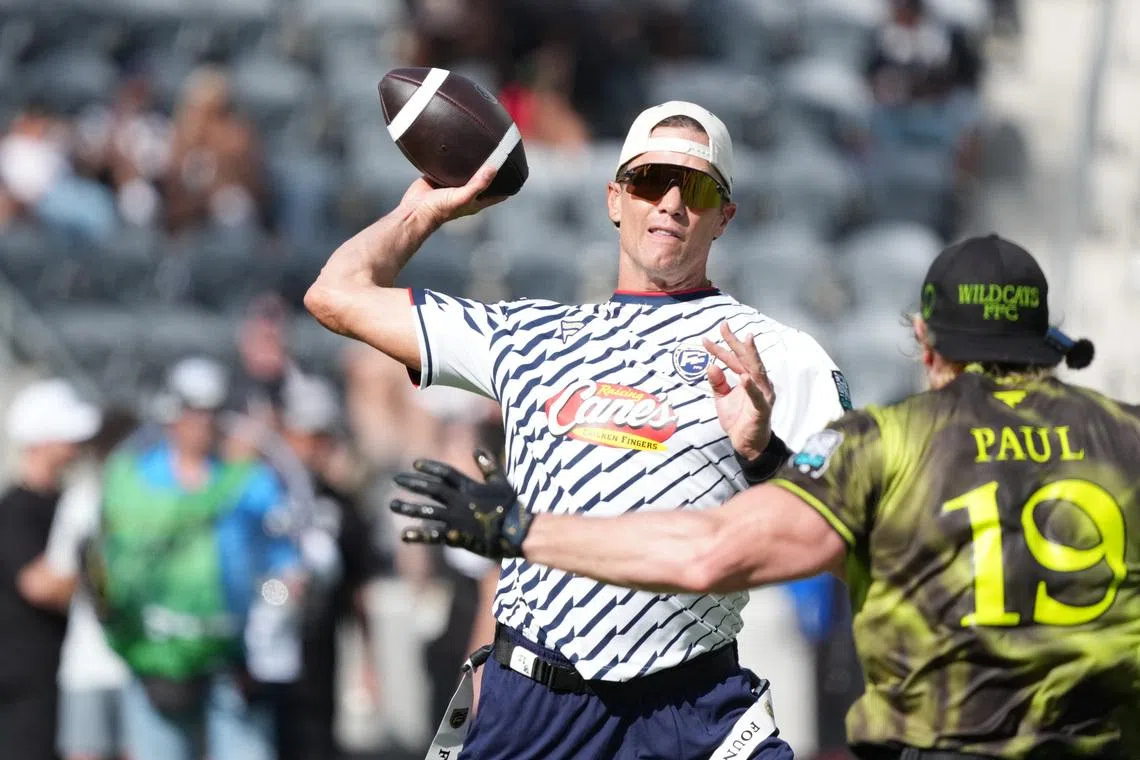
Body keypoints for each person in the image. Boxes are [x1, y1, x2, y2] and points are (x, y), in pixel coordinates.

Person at [393, 234, 1138, 760]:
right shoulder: (1129, 441)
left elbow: (709, 552)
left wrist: (520, 529)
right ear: (1047, 345)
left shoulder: (882, 443)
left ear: (926, 344)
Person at [306, 100, 851, 758]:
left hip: (691, 704)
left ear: (724, 215)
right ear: (615, 199)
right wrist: (425, 210)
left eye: (698, 187)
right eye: (651, 181)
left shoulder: (778, 355)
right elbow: (335, 294)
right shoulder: (529, 335)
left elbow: (849, 539)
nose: (672, 203)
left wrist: (764, 455)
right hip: (536, 703)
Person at [90, 357, 300, 760]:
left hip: (230, 656)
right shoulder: (133, 478)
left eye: (211, 412)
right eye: (193, 411)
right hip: (155, 656)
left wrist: (281, 597)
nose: (202, 422)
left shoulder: (251, 480)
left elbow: (283, 556)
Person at [275, 372, 386, 760]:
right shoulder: (259, 493)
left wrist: (368, 664)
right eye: (306, 435)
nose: (313, 448)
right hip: (261, 654)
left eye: (323, 437)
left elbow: (358, 591)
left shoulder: (343, 506)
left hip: (320, 650)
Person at [0, 378, 102, 760]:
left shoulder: (64, 501)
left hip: (58, 671)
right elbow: (40, 586)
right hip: (26, 675)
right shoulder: (17, 510)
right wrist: (97, 579)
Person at [43, 409, 138, 760]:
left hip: (101, 666)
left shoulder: (82, 498)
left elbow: (57, 580)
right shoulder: (159, 498)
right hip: (129, 664)